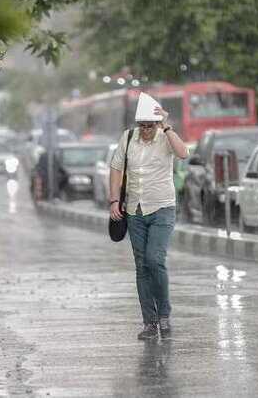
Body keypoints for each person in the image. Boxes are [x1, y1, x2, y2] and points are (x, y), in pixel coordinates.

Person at [109, 93, 189, 340]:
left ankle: (164, 315)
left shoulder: (165, 137)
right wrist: (114, 200)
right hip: (134, 210)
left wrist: (166, 125)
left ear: (156, 123)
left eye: (150, 125)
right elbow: (116, 168)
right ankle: (149, 322)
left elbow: (183, 153)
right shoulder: (128, 137)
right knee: (142, 265)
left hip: (162, 207)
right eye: (142, 125)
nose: (145, 130)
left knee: (156, 260)